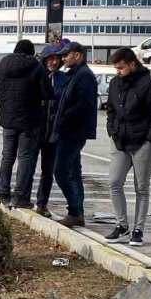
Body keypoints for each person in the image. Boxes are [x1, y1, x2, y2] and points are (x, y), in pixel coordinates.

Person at [105, 47, 151, 247]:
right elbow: (111, 110)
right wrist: (112, 130)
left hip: (143, 144)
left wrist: (150, 139)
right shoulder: (115, 83)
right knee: (114, 183)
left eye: (121, 68)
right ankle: (121, 226)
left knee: (141, 188)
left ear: (133, 64)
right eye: (116, 68)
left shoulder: (150, 84)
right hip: (120, 142)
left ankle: (138, 230)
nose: (118, 71)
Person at [0, 39, 53, 208]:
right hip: (30, 121)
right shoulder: (36, 67)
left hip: (8, 120)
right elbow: (48, 93)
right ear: (31, 53)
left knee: (7, 156)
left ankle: (3, 192)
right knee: (24, 157)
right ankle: (20, 197)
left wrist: (5, 100)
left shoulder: (1, 65)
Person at [51, 42, 98, 228]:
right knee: (73, 171)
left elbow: (85, 104)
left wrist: (65, 116)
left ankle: (75, 211)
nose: (63, 59)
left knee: (61, 171)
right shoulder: (75, 74)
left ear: (77, 55)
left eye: (66, 55)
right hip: (69, 129)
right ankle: (77, 212)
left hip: (74, 130)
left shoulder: (83, 76)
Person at [34, 44, 67, 218]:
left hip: (54, 132)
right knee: (29, 165)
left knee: (48, 171)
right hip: (36, 129)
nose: (54, 62)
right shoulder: (36, 76)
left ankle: (42, 203)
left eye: (57, 59)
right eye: (50, 58)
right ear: (44, 59)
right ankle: (23, 197)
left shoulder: (64, 78)